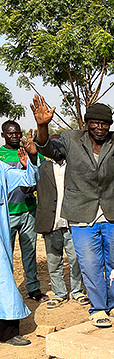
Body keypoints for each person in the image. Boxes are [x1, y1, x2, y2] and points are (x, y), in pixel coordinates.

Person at [33, 95, 114, 328]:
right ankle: (98, 308)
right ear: (86, 123)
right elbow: (47, 149)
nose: (100, 127)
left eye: (104, 123)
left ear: (110, 125)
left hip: (112, 211)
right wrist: (42, 125)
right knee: (90, 263)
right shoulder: (70, 139)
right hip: (81, 213)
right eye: (95, 123)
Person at [34, 135, 88, 309]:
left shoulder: (75, 166)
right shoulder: (41, 167)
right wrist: (28, 166)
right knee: (53, 261)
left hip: (72, 222)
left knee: (75, 260)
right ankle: (60, 294)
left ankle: (77, 292)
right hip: (51, 223)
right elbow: (26, 187)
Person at [0, 121, 45, 302]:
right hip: (7, 214)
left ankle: (33, 288)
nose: (15, 136)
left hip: (28, 211)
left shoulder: (29, 152)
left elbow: (36, 178)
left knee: (29, 252)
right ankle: (8, 291)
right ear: (3, 135)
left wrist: (30, 162)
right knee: (6, 254)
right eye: (10, 133)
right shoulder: (0, 155)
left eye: (17, 133)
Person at [0, 146, 39, 346]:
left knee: (3, 279)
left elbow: (29, 180)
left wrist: (28, 164)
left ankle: (7, 332)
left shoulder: (1, 168)